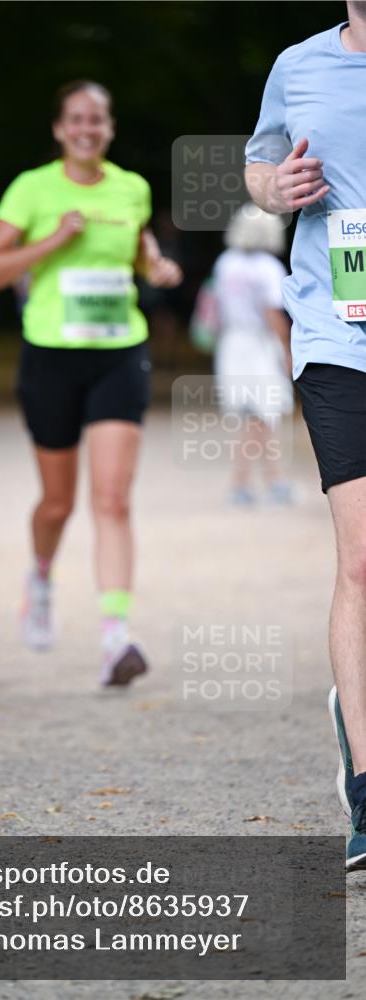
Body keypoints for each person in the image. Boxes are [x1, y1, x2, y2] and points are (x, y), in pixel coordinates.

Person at [0, 81, 182, 686]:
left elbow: (140, 254)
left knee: (112, 499)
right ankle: (40, 576)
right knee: (58, 502)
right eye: (76, 120)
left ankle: (115, 638)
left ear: (108, 129)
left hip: (119, 353)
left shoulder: (132, 188)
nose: (87, 129)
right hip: (51, 358)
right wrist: (53, 241)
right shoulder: (32, 188)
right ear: (60, 130)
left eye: (98, 120)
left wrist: (158, 266)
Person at [245, 1, 366, 869]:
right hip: (338, 332)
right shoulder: (298, 64)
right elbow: (258, 164)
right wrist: (272, 190)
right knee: (361, 560)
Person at [212, 202, 294, 505]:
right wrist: (287, 350)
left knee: (253, 416)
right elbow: (273, 314)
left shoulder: (225, 262)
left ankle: (264, 481)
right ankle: (258, 483)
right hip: (258, 345)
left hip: (232, 343)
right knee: (262, 414)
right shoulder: (268, 268)